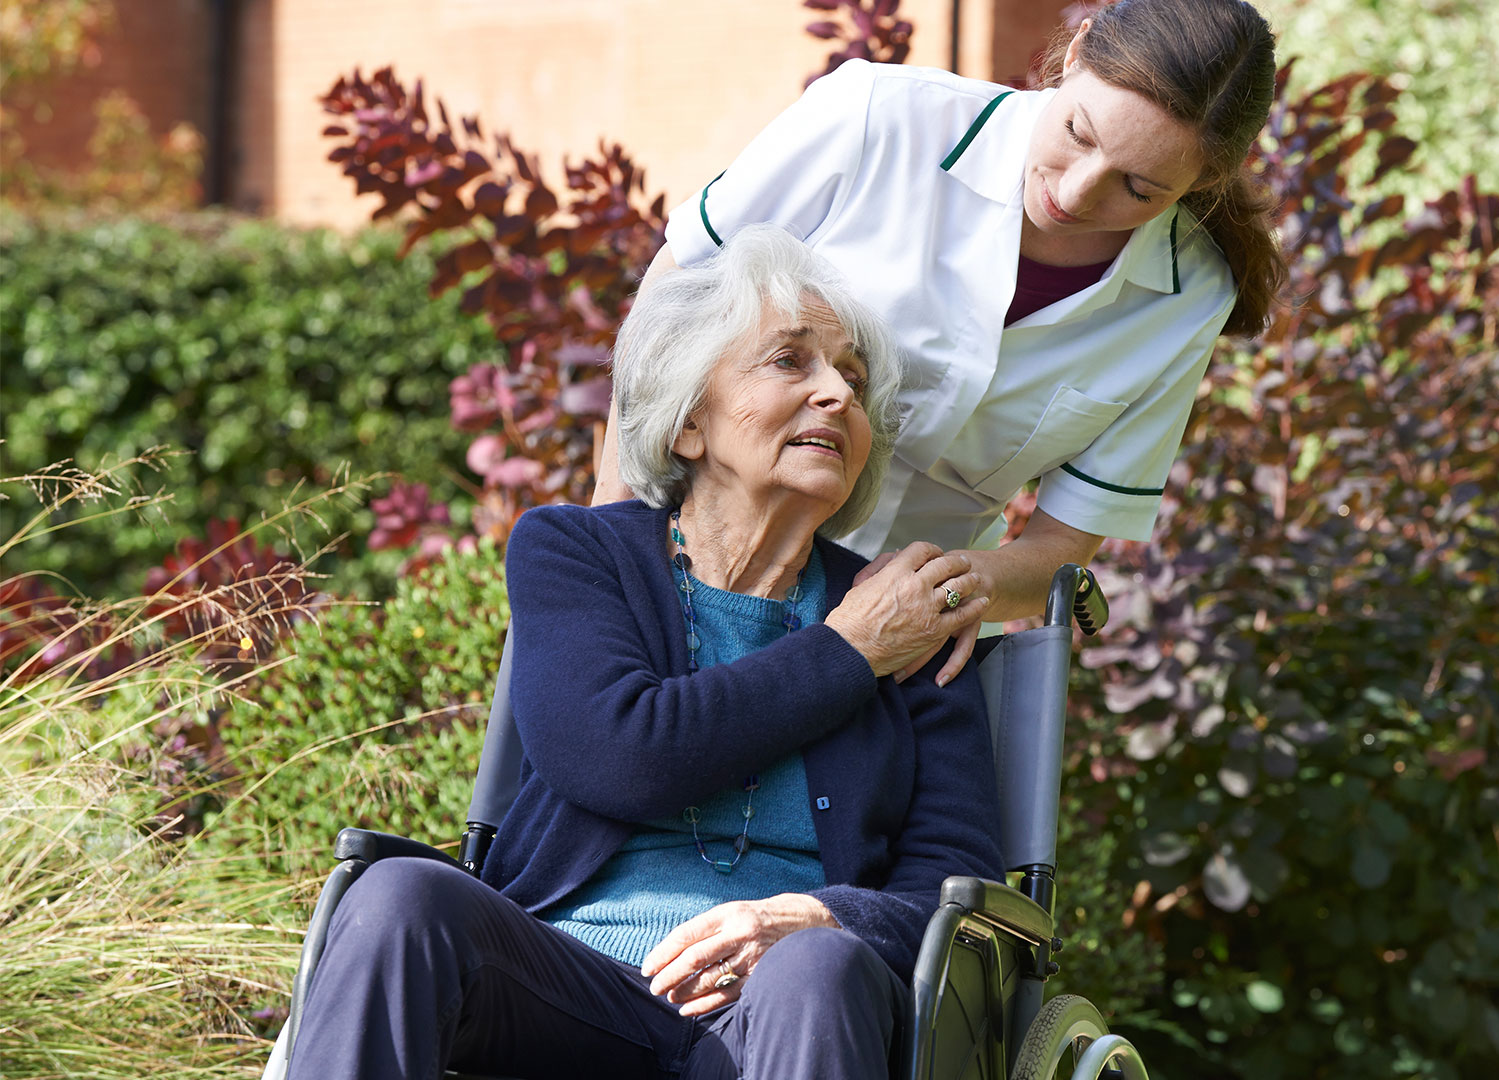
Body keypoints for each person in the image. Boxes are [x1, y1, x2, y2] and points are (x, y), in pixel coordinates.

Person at [285, 226, 1003, 1080]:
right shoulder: (577, 554)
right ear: (690, 423)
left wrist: (820, 917)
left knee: (817, 967)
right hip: (565, 989)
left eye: (851, 379)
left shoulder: (910, 620)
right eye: (790, 362)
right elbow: (617, 756)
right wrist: (848, 649)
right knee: (400, 900)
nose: (838, 397)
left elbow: (954, 889)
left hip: (782, 1012)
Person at [593, 0, 1283, 683]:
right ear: (1074, 54)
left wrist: (957, 587)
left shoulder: (1190, 296)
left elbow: (1060, 549)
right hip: (691, 576)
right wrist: (613, 551)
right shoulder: (877, 116)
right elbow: (668, 313)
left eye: (1139, 188)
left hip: (912, 654)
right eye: (1078, 132)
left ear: (1206, 181)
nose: (1076, 193)